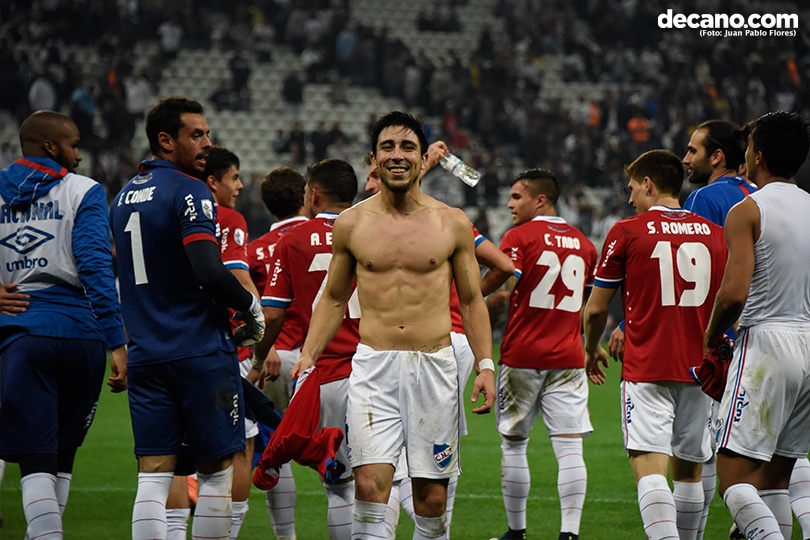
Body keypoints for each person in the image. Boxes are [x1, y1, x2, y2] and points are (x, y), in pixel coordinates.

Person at [293, 111, 496, 540]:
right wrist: (309, 354)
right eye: (387, 147)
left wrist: (485, 365)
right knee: (369, 486)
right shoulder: (351, 223)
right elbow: (333, 298)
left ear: (423, 159)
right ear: (373, 158)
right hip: (373, 368)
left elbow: (472, 300)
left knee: (432, 500)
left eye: (407, 147)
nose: (397, 155)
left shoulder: (452, 222)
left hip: (434, 367)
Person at [109, 96, 264, 540]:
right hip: (198, 349)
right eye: (196, 135)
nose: (207, 143)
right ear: (165, 140)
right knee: (216, 471)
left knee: (154, 475)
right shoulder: (189, 189)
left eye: (207, 134)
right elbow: (208, 270)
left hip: (146, 353)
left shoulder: (122, 196)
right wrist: (249, 307)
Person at [608, 119, 758, 540]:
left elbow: (677, 266)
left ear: (717, 156)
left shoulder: (706, 200)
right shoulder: (760, 198)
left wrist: (627, 323)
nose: (686, 158)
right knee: (771, 459)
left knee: (664, 462)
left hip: (683, 345)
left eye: (693, 150)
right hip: (749, 344)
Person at [583, 149, 727, 540]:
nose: (630, 198)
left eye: (632, 188)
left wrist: (591, 348)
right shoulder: (716, 234)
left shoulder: (627, 231)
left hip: (647, 365)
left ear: (648, 184)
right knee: (690, 471)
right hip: (701, 369)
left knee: (649, 466)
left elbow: (596, 309)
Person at [0, 110, 127, 539]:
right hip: (82, 337)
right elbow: (95, 266)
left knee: (35, 460)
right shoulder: (84, 190)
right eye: (73, 146)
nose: (79, 155)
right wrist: (117, 341)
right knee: (63, 455)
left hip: (22, 336)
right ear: (51, 146)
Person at [703, 111, 810, 540]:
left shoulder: (748, 210)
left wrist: (711, 336)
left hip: (766, 343)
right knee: (776, 480)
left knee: (734, 482)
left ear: (758, 155)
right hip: (808, 343)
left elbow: (733, 294)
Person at [479, 169, 597, 540]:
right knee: (570, 448)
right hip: (568, 357)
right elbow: (589, 305)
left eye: (517, 197)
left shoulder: (520, 236)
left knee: (514, 445)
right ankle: (570, 534)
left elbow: (503, 281)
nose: (509, 205)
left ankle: (516, 533)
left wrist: (477, 300)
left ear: (540, 200)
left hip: (523, 355)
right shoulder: (585, 244)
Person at [255, 158, 360, 540]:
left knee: (340, 486)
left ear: (312, 196)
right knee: (388, 477)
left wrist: (257, 358)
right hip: (379, 365)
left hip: (324, 370)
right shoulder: (373, 231)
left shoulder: (291, 241)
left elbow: (272, 314)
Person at [163, 145, 262, 539]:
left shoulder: (165, 209)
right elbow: (237, 276)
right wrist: (255, 317)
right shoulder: (227, 218)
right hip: (221, 347)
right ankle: (228, 533)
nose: (239, 186)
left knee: (169, 451)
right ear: (212, 182)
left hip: (167, 342)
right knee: (237, 447)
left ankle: (173, 532)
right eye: (234, 178)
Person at [245, 166, 308, 540]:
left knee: (276, 454)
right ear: (305, 197)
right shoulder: (325, 237)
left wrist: (258, 352)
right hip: (323, 360)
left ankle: (287, 538)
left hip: (272, 358)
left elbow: (247, 307)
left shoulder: (253, 251)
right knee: (343, 459)